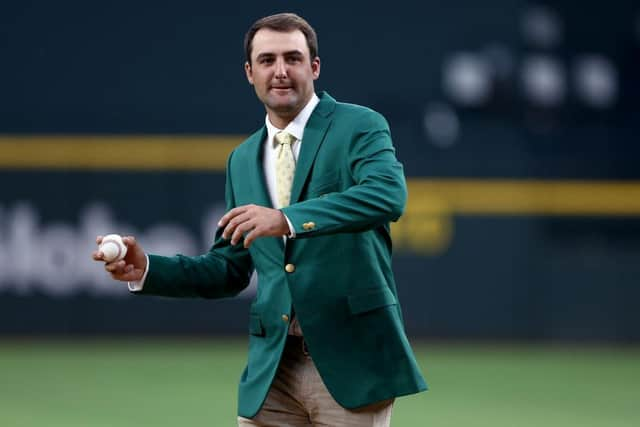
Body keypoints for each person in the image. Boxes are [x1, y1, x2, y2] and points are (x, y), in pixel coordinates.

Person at [93, 12, 427, 427]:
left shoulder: (359, 126)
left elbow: (386, 196)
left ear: (315, 67)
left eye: (293, 58)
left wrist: (285, 219)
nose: (281, 71)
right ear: (250, 73)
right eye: (267, 60)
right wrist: (147, 269)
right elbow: (228, 269)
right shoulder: (242, 159)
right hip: (272, 370)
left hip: (350, 362)